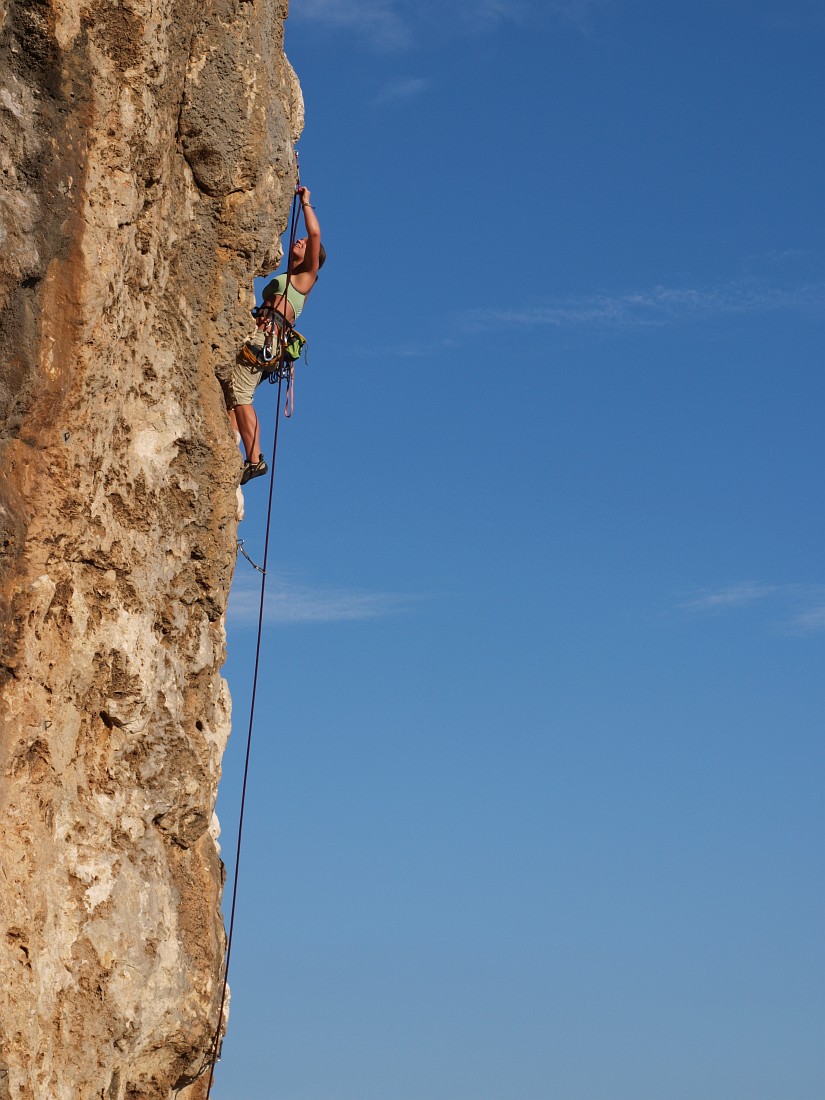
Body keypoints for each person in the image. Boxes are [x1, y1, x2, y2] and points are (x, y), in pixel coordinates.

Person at [227, 186, 325, 484]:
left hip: (266, 339)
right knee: (235, 398)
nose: (300, 240)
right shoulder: (289, 276)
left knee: (241, 396)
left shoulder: (305, 279)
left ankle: (254, 459)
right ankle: (232, 451)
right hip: (263, 339)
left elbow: (317, 236)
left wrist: (306, 204)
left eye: (304, 243)